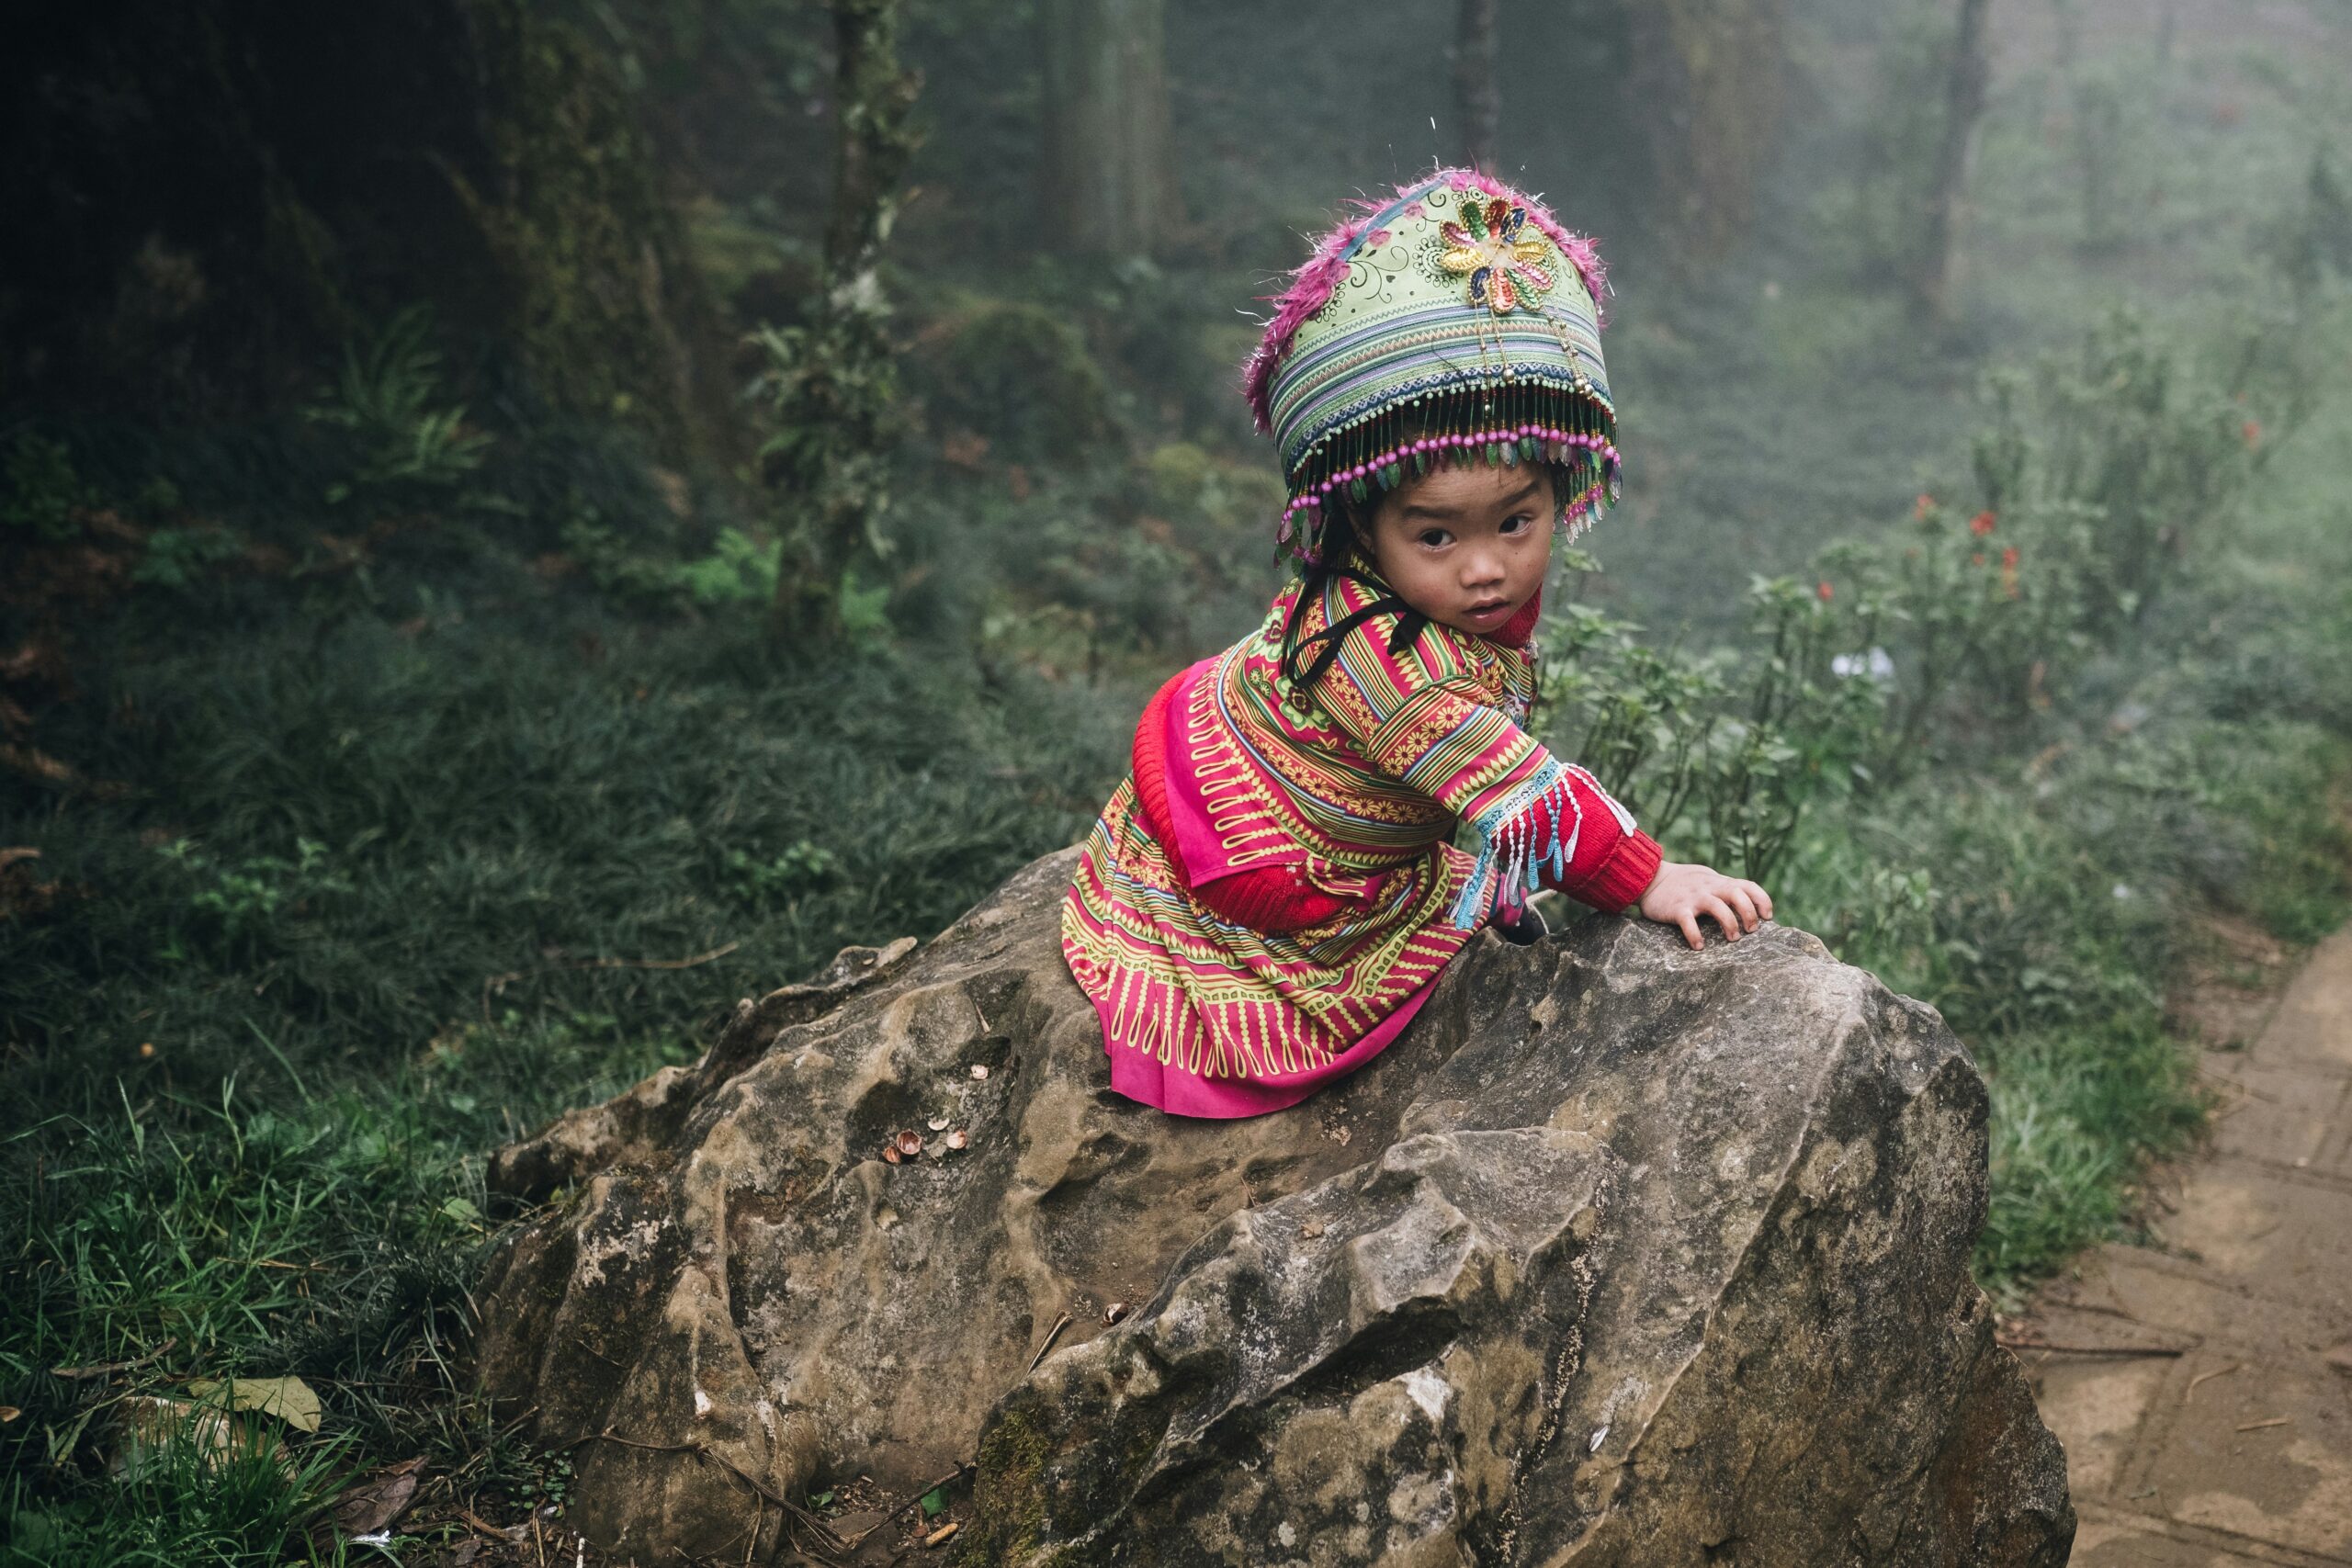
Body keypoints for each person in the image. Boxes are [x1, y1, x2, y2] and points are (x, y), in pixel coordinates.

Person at [1060, 165, 1772, 1118]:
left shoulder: (1414, 605)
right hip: (1271, 852)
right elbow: (1520, 790)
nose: (1484, 569)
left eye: (1515, 523)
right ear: (1360, 526)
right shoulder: (1395, 670)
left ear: (1556, 494)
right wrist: (1646, 877)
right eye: (1436, 536)